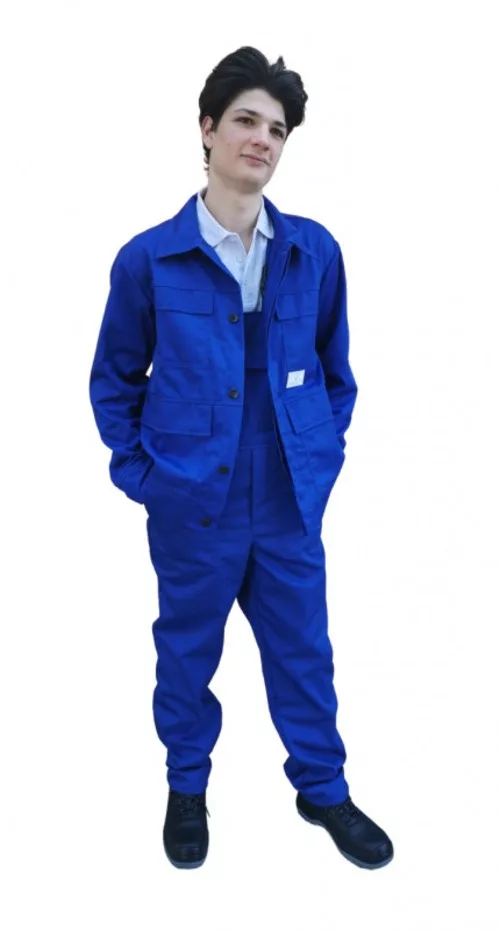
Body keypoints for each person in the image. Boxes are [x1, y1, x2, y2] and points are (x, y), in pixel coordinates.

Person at [89, 45, 393, 871]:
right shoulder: (149, 260)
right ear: (207, 129)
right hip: (193, 504)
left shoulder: (313, 252)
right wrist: (145, 478)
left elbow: (336, 374)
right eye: (247, 121)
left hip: (288, 499)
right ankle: (187, 787)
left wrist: (322, 456)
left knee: (305, 652)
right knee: (187, 654)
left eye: (278, 129)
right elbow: (114, 381)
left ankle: (322, 790)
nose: (263, 139)